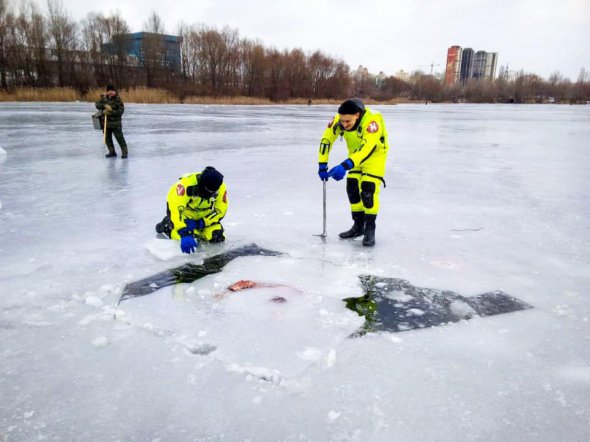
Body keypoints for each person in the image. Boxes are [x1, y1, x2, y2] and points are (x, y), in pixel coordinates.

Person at [317, 98, 389, 246]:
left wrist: (345, 165)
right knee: (352, 187)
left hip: (374, 157)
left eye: (348, 121)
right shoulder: (339, 119)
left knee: (368, 191)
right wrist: (322, 164)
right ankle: (358, 225)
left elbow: (367, 148)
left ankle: (370, 228)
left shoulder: (372, 121)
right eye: (342, 121)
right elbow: (326, 140)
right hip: (355, 156)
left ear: (357, 115)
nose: (344, 124)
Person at [155, 166, 228, 254]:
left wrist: (203, 222)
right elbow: (174, 210)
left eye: (212, 191)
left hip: (204, 218)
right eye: (208, 190)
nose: (210, 193)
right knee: (192, 239)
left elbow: (220, 210)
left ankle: (198, 231)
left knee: (217, 237)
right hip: (186, 217)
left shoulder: (219, 187)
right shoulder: (185, 186)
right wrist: (184, 233)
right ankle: (167, 225)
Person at [95, 85, 128, 158]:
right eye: (109, 91)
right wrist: (104, 106)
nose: (110, 92)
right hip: (106, 123)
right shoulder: (103, 98)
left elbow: (121, 111)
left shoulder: (118, 99)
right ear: (107, 92)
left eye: (112, 91)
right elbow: (97, 105)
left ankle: (124, 152)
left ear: (114, 91)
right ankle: (112, 152)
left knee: (120, 138)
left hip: (116, 124)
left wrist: (111, 112)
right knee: (107, 139)